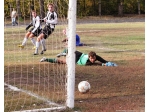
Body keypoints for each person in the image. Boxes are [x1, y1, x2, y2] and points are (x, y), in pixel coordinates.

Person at [40, 50, 117, 66]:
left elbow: (103, 60)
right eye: (91, 59)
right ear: (89, 57)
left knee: (61, 61)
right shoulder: (87, 62)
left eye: (94, 58)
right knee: (63, 61)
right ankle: (64, 52)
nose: (93, 60)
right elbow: (97, 64)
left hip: (78, 55)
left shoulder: (96, 57)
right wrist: (103, 65)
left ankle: (46, 59)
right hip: (77, 58)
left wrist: (108, 62)